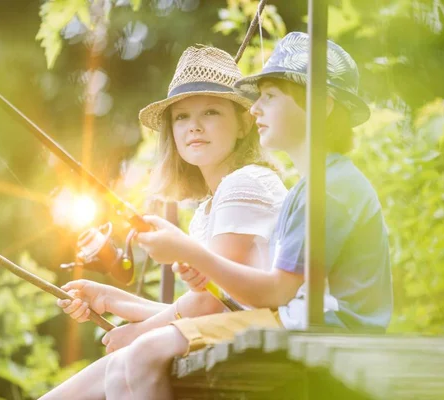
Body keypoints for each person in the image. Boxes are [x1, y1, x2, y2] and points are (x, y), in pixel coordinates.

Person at [95, 32, 393, 399]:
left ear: (322, 106)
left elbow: (276, 292)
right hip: (294, 320)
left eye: (269, 97)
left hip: (326, 330)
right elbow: (256, 295)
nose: (254, 109)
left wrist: (189, 253)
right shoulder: (311, 186)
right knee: (133, 360)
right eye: (182, 117)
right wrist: (195, 269)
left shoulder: (330, 187)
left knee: (143, 353)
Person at [40, 45, 287, 399]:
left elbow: (209, 305)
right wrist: (109, 298)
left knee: (128, 360)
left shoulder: (244, 182)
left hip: (265, 327)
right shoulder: (209, 207)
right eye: (181, 117)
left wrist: (138, 332)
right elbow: (203, 304)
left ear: (244, 122)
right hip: (232, 323)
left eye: (211, 112)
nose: (194, 127)